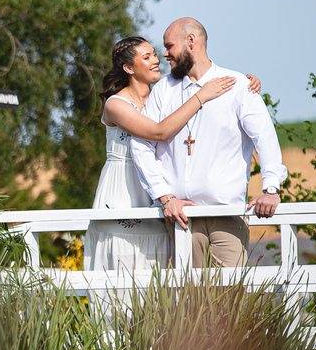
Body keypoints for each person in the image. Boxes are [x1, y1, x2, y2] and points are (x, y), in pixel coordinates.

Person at [84, 36, 254, 278]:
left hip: (158, 192)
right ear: (128, 68)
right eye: (147, 57)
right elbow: (159, 131)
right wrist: (201, 97)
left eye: (154, 54)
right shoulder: (116, 105)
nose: (156, 60)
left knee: (159, 274)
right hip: (123, 190)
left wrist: (245, 82)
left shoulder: (163, 95)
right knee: (120, 272)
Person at [130, 18, 286, 267]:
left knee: (232, 297)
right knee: (189, 300)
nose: (164, 53)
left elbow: (265, 138)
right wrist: (164, 197)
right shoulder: (163, 90)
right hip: (180, 219)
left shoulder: (238, 85)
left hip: (227, 214)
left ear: (190, 41)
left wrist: (271, 189)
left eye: (169, 45)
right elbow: (141, 144)